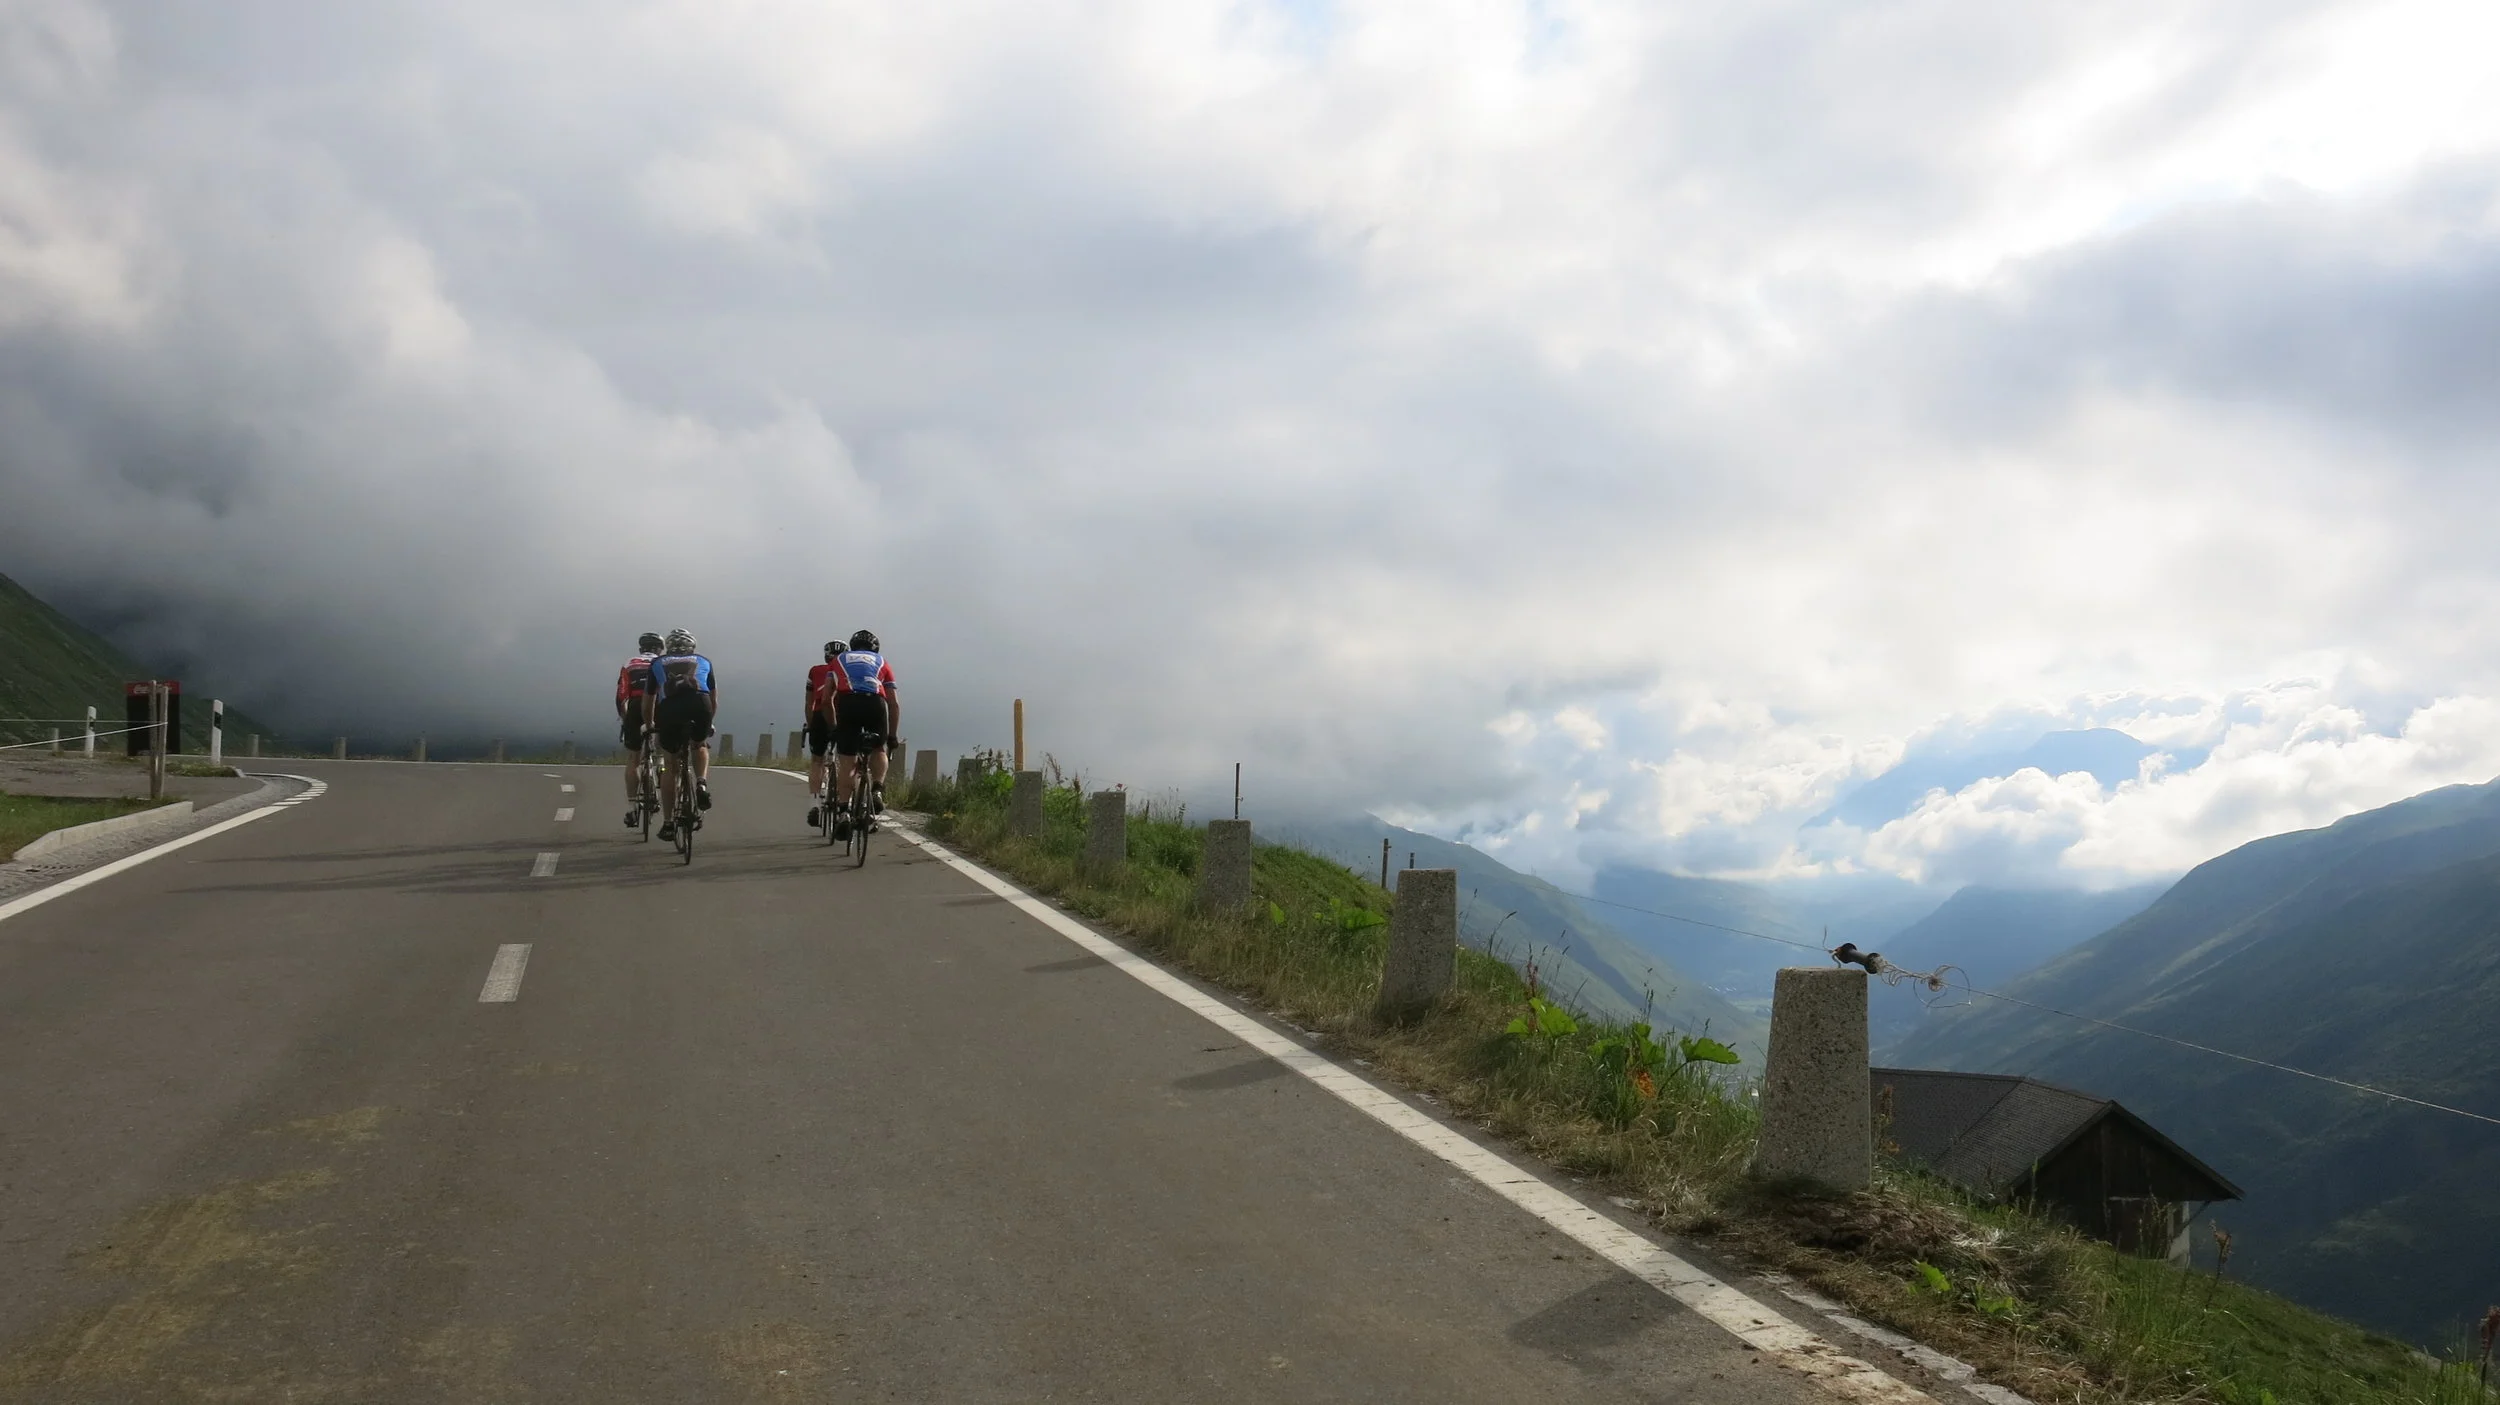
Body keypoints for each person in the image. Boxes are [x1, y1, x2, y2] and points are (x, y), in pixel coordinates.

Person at [644, 627, 717, 842]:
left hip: (670, 709)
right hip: (700, 704)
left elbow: (649, 701)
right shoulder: (703, 661)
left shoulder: (657, 663)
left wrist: (649, 724)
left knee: (670, 765)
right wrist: (708, 723)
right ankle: (701, 782)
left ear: (668, 647)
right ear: (692, 647)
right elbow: (713, 698)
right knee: (700, 744)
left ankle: (668, 823)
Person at [824, 628, 897, 839]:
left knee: (848, 762)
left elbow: (827, 698)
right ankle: (877, 789)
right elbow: (894, 703)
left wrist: (834, 727)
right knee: (878, 749)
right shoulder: (882, 662)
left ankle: (844, 811)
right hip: (875, 703)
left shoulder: (838, 660)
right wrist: (892, 736)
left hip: (849, 703)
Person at [615, 631, 663, 826]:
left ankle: (632, 807)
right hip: (658, 705)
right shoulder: (663, 662)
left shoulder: (629, 663)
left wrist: (625, 719)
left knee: (634, 759)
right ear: (660, 649)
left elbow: (621, 695)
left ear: (641, 648)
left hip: (635, 705)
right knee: (665, 750)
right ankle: (661, 764)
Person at [802, 640, 844, 829]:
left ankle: (814, 803)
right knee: (849, 758)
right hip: (843, 713)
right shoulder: (847, 670)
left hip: (820, 714)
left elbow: (809, 703)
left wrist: (811, 725)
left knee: (817, 760)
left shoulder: (815, 671)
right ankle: (847, 802)